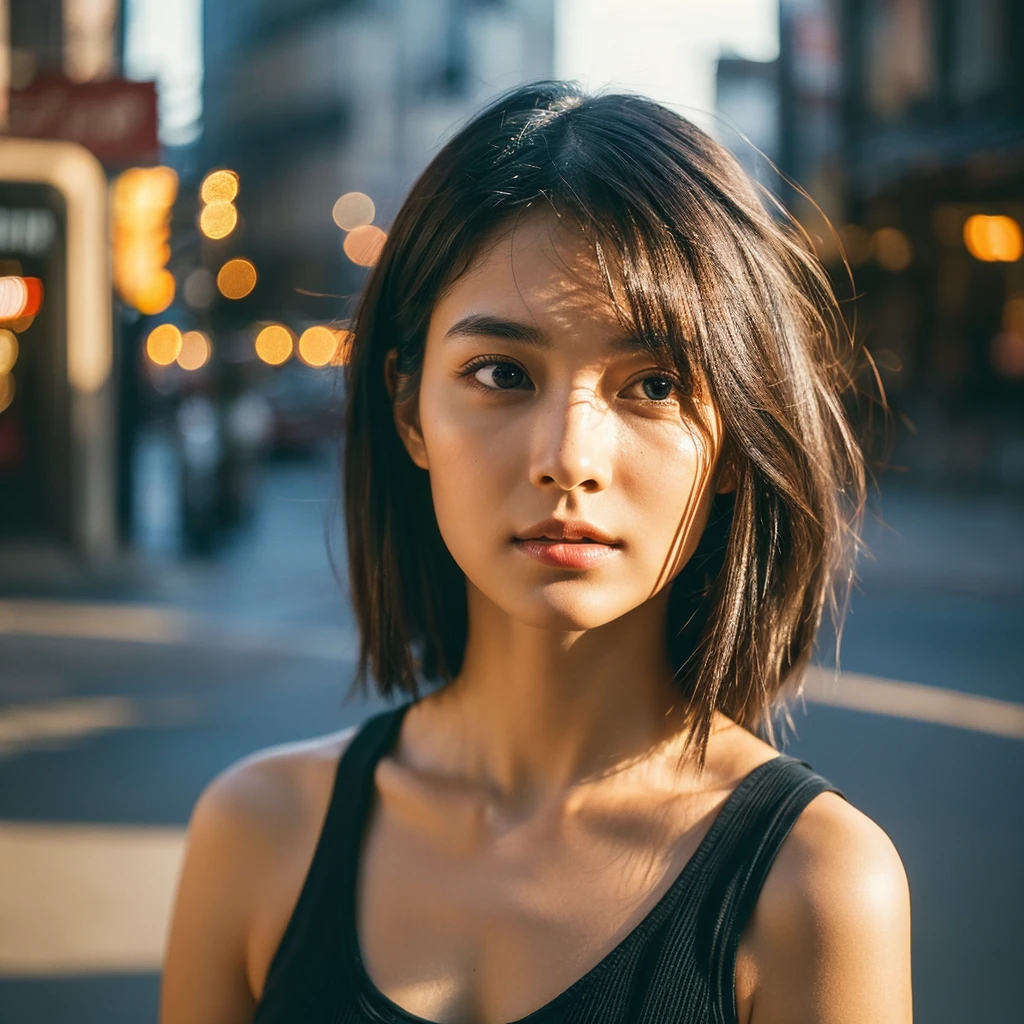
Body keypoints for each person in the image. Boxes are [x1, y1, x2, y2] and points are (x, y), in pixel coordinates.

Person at [160, 82, 912, 1024]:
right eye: (502, 374)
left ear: (733, 439)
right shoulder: (260, 831)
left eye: (656, 383)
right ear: (409, 409)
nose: (569, 458)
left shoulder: (815, 887)